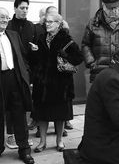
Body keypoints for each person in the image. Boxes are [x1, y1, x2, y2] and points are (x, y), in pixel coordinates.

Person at [0, 7, 34, 164]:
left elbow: (22, 57)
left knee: (19, 115)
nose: (5, 20)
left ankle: (24, 149)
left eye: (6, 18)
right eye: (1, 17)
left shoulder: (13, 35)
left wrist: (25, 74)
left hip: (14, 78)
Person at [32, 13, 83, 153]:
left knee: (59, 115)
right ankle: (42, 142)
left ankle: (59, 141)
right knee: (42, 115)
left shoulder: (66, 39)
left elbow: (79, 58)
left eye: (50, 22)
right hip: (42, 83)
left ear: (59, 24)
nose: (47, 24)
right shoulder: (41, 38)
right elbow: (35, 60)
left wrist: (65, 55)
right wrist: (35, 52)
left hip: (61, 84)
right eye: (46, 22)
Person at [81, 0, 119, 83]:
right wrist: (92, 63)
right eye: (110, 8)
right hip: (99, 73)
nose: (114, 11)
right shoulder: (93, 23)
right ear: (103, 5)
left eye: (116, 7)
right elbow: (85, 44)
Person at [5, 0, 36, 149]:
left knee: (24, 103)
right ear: (15, 8)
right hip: (11, 70)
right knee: (11, 104)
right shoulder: (8, 25)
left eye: (27, 8)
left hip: (26, 69)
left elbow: (36, 47)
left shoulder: (31, 26)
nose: (25, 11)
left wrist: (35, 49)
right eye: (22, 8)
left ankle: (23, 134)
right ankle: (10, 135)